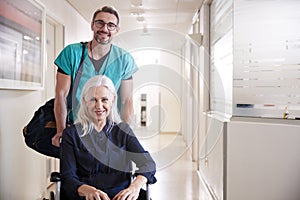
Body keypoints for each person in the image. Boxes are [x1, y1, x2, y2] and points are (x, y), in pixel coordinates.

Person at [52, 6, 138, 147]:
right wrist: (61, 131)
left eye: (111, 25)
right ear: (92, 25)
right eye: (100, 23)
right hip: (76, 128)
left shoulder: (124, 59)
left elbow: (127, 100)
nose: (104, 29)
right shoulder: (72, 53)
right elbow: (61, 95)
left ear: (117, 30)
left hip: (109, 130)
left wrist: (126, 135)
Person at [60, 75, 157, 200]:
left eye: (104, 99)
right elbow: (68, 177)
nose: (99, 106)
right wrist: (87, 190)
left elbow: (148, 163)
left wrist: (135, 187)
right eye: (93, 100)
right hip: (86, 196)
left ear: (112, 101)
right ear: (84, 101)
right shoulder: (71, 134)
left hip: (121, 196)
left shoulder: (123, 131)